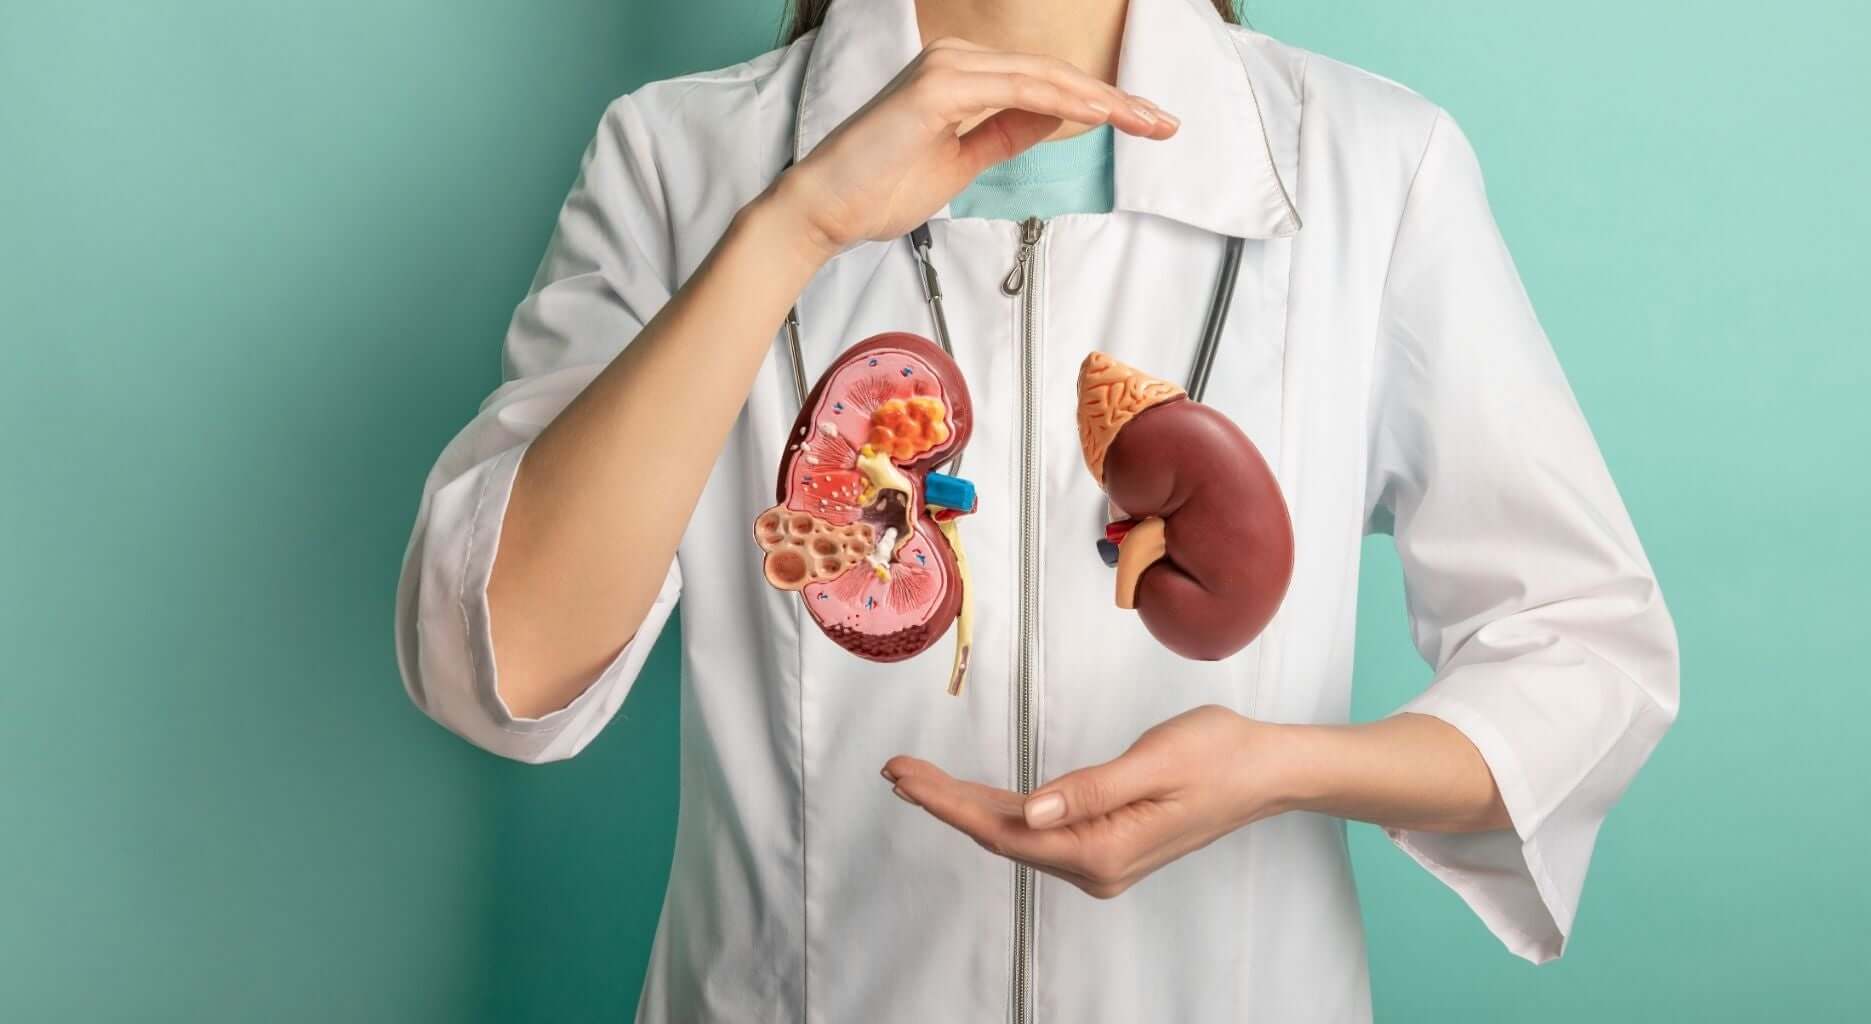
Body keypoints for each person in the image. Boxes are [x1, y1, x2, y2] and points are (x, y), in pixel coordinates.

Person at [394, 0, 1680, 1018]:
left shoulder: (1367, 166)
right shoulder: (681, 160)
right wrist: (793, 225)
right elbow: (497, 665)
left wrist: (1281, 769)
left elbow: (1586, 655)